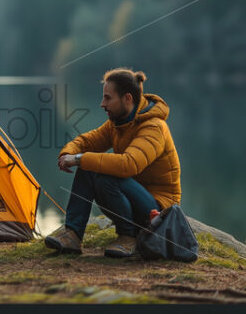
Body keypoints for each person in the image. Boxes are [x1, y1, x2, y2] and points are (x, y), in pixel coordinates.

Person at [45, 68, 181, 258]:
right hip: (133, 197)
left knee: (98, 172)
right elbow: (87, 141)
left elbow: (129, 164)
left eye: (108, 98)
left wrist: (79, 159)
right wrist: (68, 153)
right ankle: (73, 235)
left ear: (127, 98)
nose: (102, 104)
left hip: (158, 211)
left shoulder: (154, 127)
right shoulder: (118, 123)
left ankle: (128, 236)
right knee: (89, 168)